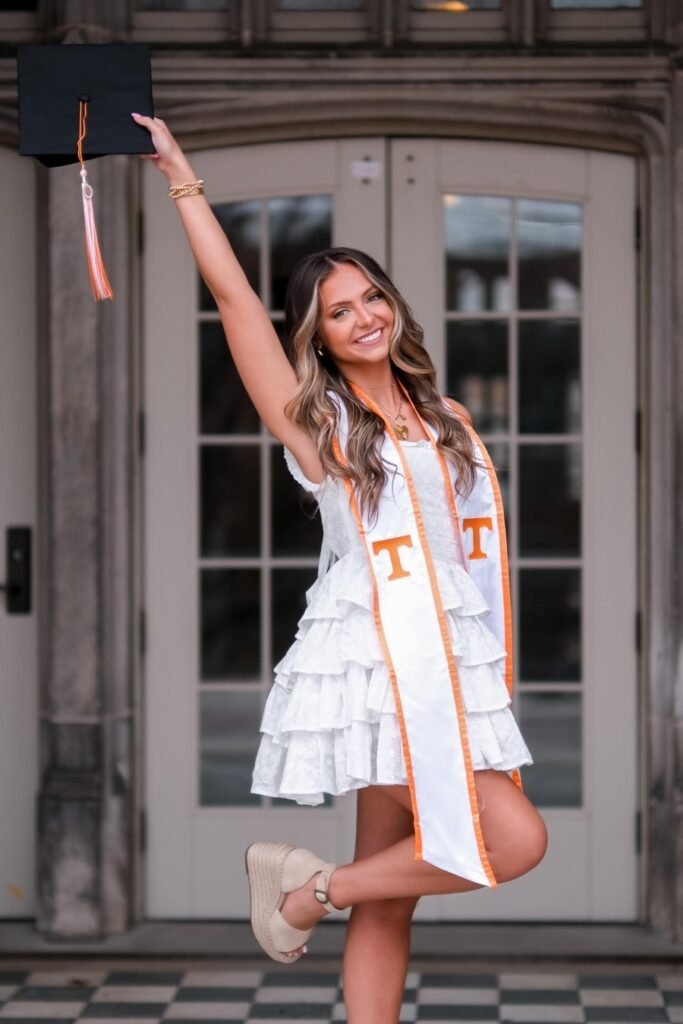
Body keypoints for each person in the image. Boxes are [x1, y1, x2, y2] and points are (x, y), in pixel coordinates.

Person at [133, 113, 548, 1024]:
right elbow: (238, 304)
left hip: (444, 651)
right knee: (512, 842)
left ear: (392, 304)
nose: (362, 317)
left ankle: (319, 900)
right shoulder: (317, 420)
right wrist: (181, 177)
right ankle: (302, 894)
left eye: (371, 299)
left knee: (390, 895)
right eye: (338, 310)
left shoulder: (437, 413)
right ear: (315, 335)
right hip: (380, 659)